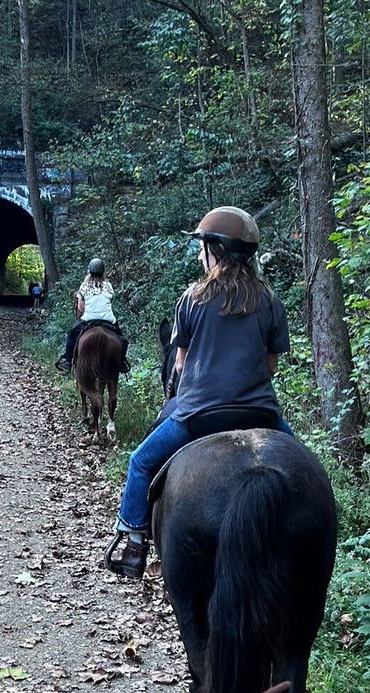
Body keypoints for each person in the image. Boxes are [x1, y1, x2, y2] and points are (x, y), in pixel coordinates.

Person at [106, 206, 291, 578]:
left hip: (198, 415)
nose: (198, 254)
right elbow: (271, 366)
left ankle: (135, 541)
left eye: (202, 246)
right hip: (261, 414)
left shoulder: (192, 298)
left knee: (141, 462)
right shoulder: (269, 300)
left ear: (217, 250)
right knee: (307, 469)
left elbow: (179, 364)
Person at [55, 258, 130, 373]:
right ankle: (122, 362)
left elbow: (80, 307)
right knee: (122, 339)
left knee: (71, 335)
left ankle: (68, 362)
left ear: (89, 271)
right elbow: (110, 300)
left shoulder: (84, 286)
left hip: (88, 319)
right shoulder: (108, 285)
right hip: (108, 319)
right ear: (103, 272)